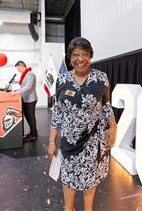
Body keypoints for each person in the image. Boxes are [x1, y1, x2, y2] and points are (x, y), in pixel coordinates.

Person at [48, 37, 118, 211]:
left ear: (90, 56)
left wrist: (113, 127)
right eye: (76, 54)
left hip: (93, 140)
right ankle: (68, 208)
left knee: (90, 178)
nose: (80, 59)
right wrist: (51, 141)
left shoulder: (101, 78)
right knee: (69, 177)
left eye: (85, 54)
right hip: (70, 140)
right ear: (70, 57)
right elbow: (58, 111)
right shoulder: (62, 79)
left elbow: (106, 105)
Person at [12, 60, 38, 142]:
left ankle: (33, 135)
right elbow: (23, 87)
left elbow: (28, 87)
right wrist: (16, 90)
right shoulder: (26, 75)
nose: (18, 70)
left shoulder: (30, 74)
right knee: (28, 117)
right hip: (26, 99)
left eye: (18, 68)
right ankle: (33, 132)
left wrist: (16, 93)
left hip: (30, 99)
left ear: (21, 65)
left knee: (31, 117)